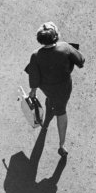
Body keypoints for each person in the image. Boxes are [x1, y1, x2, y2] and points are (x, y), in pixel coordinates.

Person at [27, 22, 85, 157]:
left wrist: (33, 90)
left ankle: (50, 108)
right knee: (61, 111)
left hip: (46, 88)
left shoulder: (35, 55)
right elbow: (81, 61)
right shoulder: (64, 47)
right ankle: (61, 145)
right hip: (63, 87)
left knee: (52, 100)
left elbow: (34, 77)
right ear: (56, 36)